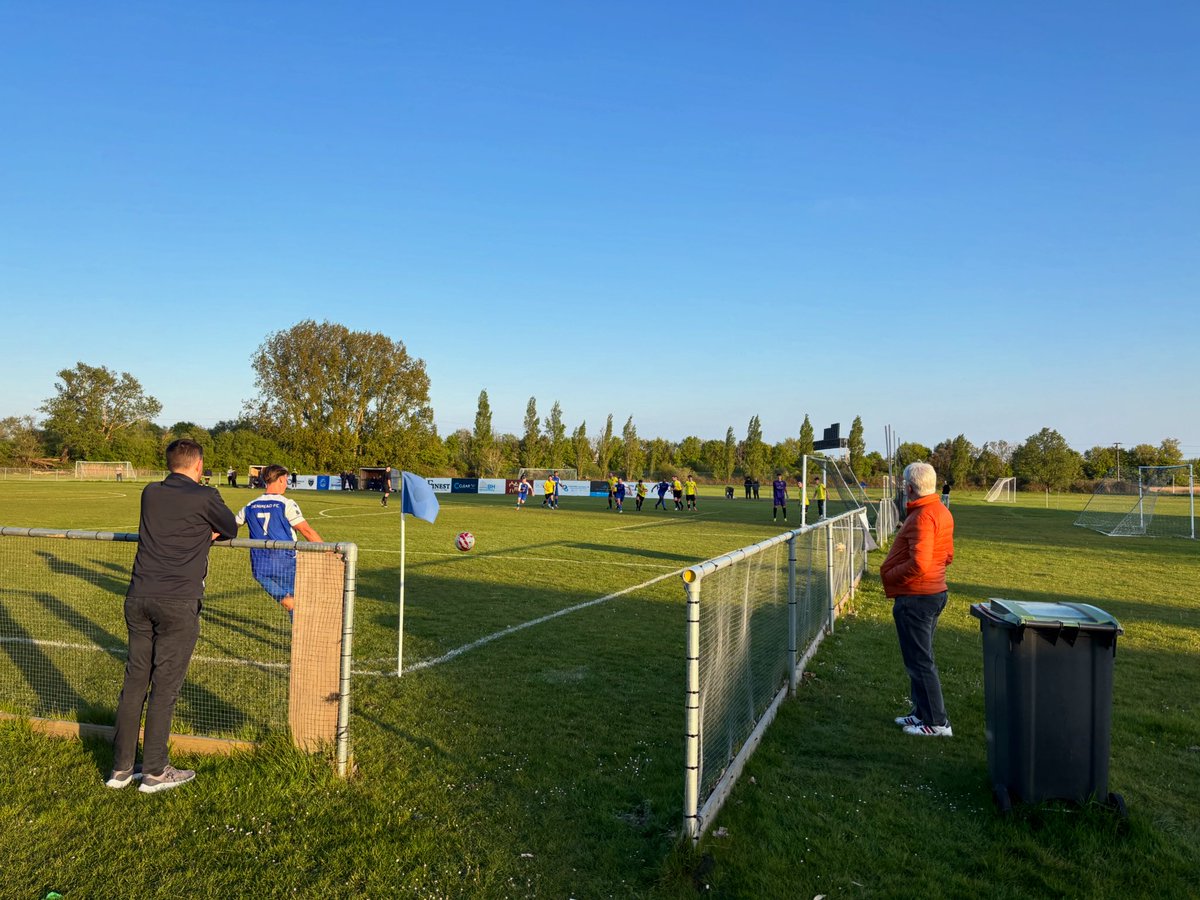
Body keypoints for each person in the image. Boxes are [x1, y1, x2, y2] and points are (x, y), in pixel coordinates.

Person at [107, 439, 238, 793]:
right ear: (199, 465)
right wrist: (203, 534)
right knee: (164, 687)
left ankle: (121, 768)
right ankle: (154, 771)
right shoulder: (206, 495)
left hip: (139, 597)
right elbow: (231, 527)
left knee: (135, 682)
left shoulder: (150, 492)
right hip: (178, 601)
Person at [881, 462, 955, 737]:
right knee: (918, 658)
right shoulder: (941, 512)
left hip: (918, 597)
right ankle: (921, 713)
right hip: (931, 593)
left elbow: (920, 564)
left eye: (904, 484)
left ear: (909, 487)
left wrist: (891, 575)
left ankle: (937, 722)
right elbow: (947, 555)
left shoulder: (923, 516)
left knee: (920, 661)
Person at [236, 464, 325, 615]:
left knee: (289, 600)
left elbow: (230, 527)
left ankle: (285, 601)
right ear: (282, 480)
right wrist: (327, 550)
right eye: (286, 480)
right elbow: (306, 530)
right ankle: (302, 636)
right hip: (284, 562)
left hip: (260, 565)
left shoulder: (249, 506)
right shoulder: (286, 504)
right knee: (298, 604)